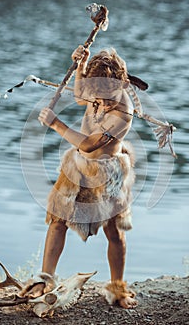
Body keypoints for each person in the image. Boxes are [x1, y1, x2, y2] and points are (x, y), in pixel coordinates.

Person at [37, 45, 138, 309]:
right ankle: (46, 279)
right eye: (99, 97)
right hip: (78, 167)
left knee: (113, 230)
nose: (102, 104)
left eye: (108, 98)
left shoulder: (123, 113)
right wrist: (80, 66)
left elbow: (90, 145)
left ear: (121, 84)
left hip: (108, 171)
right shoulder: (97, 91)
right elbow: (82, 95)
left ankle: (117, 288)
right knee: (57, 220)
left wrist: (56, 124)